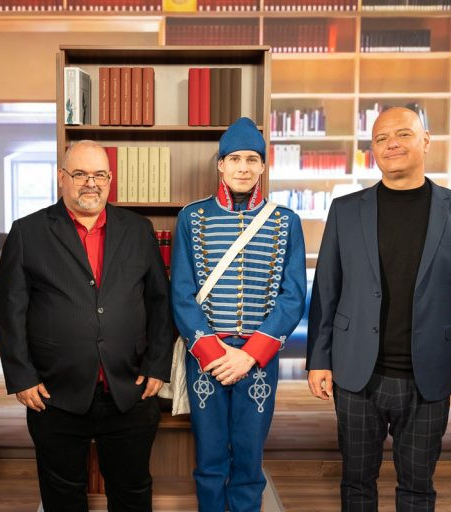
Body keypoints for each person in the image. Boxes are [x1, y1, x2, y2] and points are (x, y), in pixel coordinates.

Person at [306, 107, 451, 511]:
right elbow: (326, 291)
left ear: (426, 140)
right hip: (357, 374)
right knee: (356, 483)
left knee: (418, 486)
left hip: (429, 377)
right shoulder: (345, 210)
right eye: (381, 138)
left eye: (403, 134)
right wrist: (318, 360)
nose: (391, 144)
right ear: (372, 150)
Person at [0, 140, 173, 511]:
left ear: (110, 180)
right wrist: (22, 377)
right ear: (61, 178)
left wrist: (158, 365)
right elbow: (10, 310)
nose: (90, 183)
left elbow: (160, 301)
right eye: (80, 174)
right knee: (61, 496)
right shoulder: (28, 232)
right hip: (53, 392)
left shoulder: (138, 229)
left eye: (99, 175)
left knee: (133, 492)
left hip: (130, 388)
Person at [171, 117, 307, 512]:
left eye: (251, 159)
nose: (243, 167)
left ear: (263, 166)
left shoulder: (287, 222)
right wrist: (214, 354)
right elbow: (181, 294)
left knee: (249, 458)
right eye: (234, 159)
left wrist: (250, 355)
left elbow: (293, 296)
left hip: (258, 359)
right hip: (207, 359)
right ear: (221, 165)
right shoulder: (191, 218)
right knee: (209, 457)